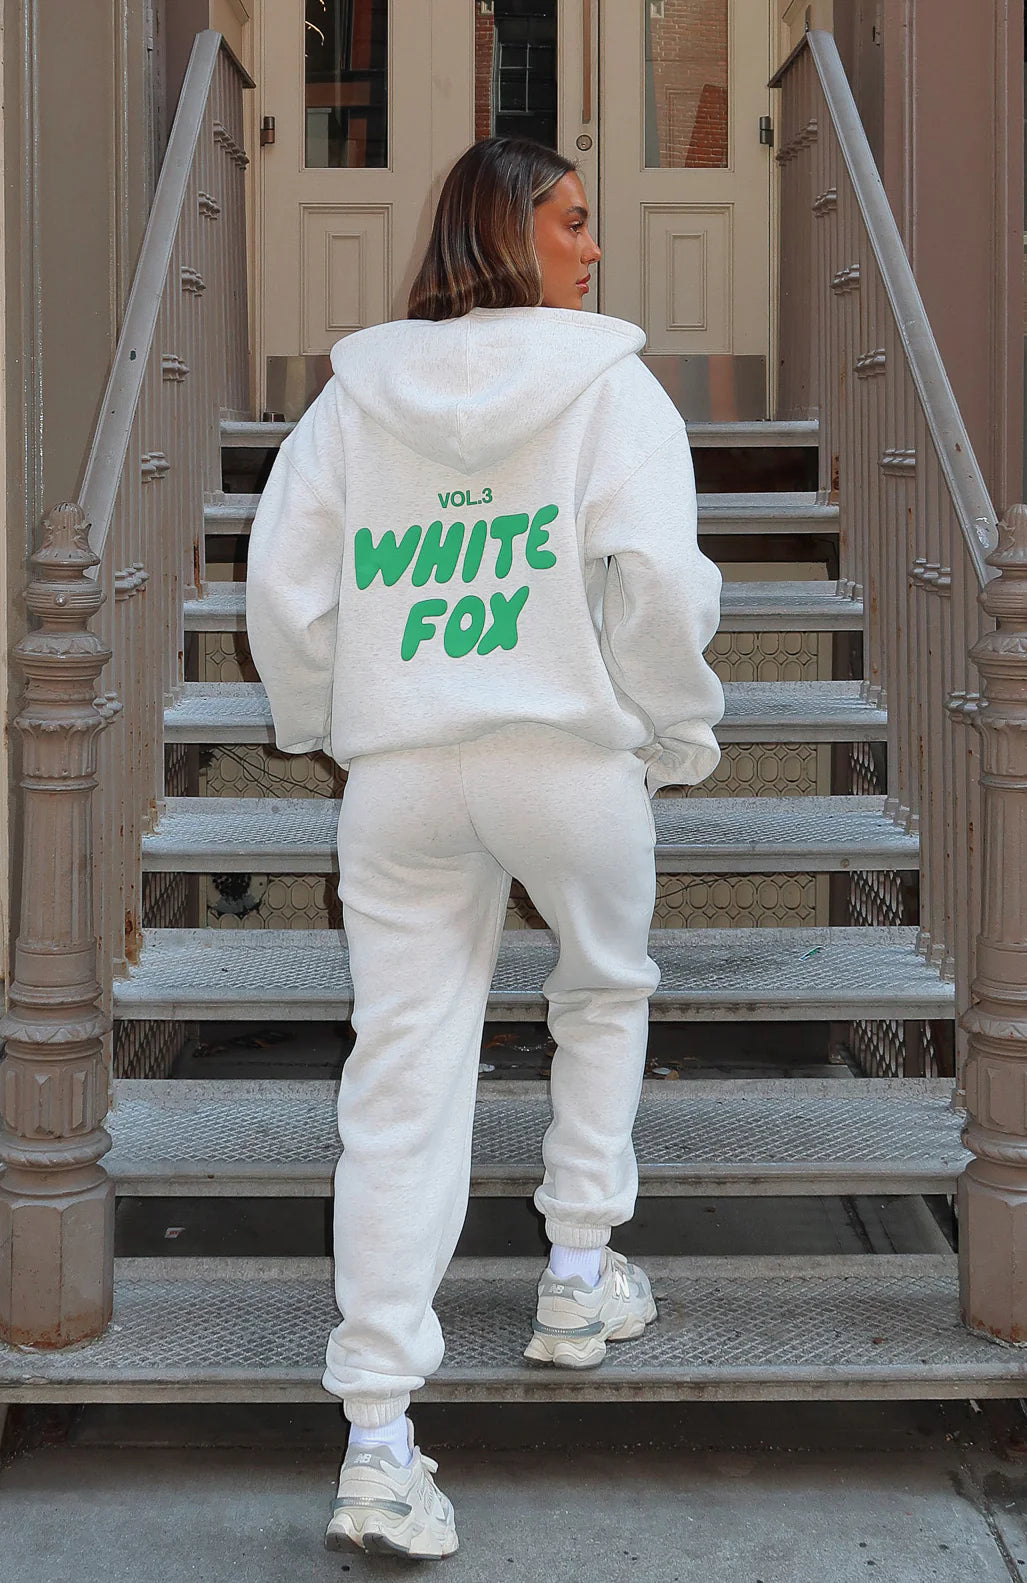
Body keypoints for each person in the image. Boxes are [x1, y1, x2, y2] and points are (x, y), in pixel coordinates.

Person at [245, 135, 725, 1560]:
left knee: (400, 1078)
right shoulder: (611, 388)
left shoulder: (352, 400)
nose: (595, 249)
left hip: (402, 773)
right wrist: (674, 723)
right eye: (573, 223)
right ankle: (577, 1270)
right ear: (508, 232)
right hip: (564, 756)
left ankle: (378, 1441)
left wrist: (327, 721)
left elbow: (288, 590)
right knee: (603, 992)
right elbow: (658, 583)